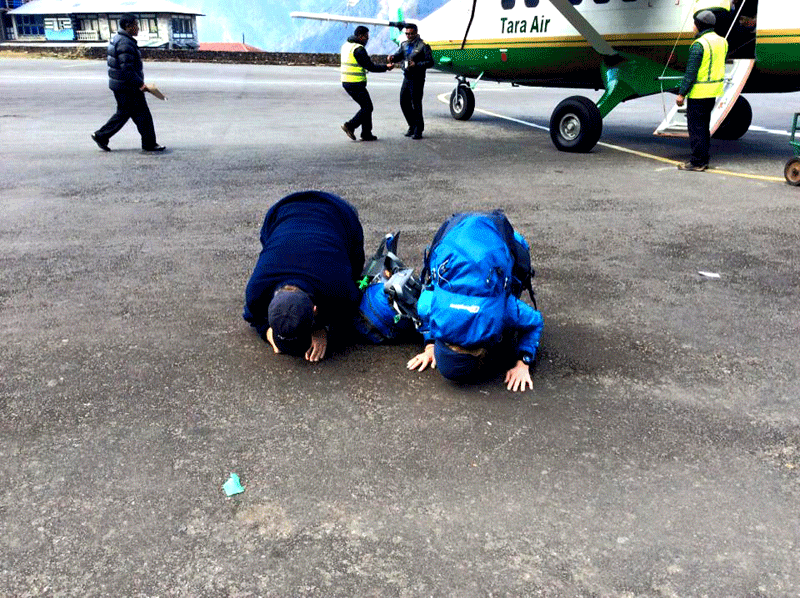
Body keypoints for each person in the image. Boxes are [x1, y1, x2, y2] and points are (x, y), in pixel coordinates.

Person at [406, 212, 544, 392]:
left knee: (516, 247)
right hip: (455, 232)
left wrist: (523, 363)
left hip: (485, 237)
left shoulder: (501, 314)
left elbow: (535, 322)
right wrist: (430, 345)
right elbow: (425, 306)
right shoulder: (428, 307)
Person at [243, 191, 365, 362]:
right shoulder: (257, 289)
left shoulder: (338, 287)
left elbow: (352, 304)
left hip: (338, 212)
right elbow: (252, 315)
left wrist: (324, 329)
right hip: (281, 211)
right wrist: (267, 332)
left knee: (355, 270)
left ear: (315, 310)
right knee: (272, 242)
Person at [92, 14, 165, 152]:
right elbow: (127, 68)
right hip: (127, 86)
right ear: (128, 26)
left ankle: (101, 136)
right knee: (143, 115)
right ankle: (149, 144)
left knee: (124, 113)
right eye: (136, 25)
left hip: (120, 85)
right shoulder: (125, 43)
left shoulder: (120, 39)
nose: (138, 28)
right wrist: (140, 84)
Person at [676, 10, 728, 172]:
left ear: (699, 25)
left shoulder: (699, 45)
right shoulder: (722, 41)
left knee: (696, 128)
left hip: (699, 93)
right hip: (713, 91)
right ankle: (703, 159)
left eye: (694, 23)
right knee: (704, 127)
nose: (692, 27)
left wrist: (681, 93)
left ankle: (698, 161)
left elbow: (691, 73)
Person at [340, 26, 393, 142]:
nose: (367, 40)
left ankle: (366, 133)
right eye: (366, 37)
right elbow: (370, 66)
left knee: (365, 106)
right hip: (355, 83)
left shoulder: (346, 45)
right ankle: (350, 126)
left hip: (346, 81)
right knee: (368, 107)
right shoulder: (358, 49)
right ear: (361, 36)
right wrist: (386, 67)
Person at [387, 23, 434, 140]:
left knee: (416, 103)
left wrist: (417, 64)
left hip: (417, 78)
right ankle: (411, 125)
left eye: (411, 33)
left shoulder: (423, 46)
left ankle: (419, 129)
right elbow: (399, 56)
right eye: (406, 33)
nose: (408, 36)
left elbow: (430, 62)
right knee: (404, 102)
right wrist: (392, 58)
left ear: (416, 33)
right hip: (407, 77)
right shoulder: (404, 44)